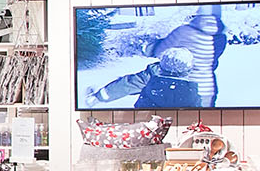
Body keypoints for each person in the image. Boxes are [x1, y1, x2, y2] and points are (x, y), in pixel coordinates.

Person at [90, 7, 227, 109]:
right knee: (199, 118)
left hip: (166, 73)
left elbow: (159, 50)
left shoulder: (184, 31)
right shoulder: (221, 38)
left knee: (133, 84)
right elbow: (213, 62)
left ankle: (99, 97)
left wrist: (148, 48)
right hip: (203, 86)